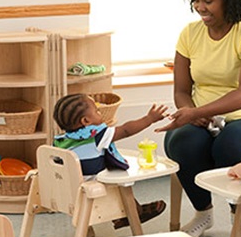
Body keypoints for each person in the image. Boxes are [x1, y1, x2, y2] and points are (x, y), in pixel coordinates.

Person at [156, 0, 241, 237]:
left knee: (231, 144)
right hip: (200, 116)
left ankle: (238, 216)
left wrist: (196, 112)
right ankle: (203, 213)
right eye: (196, 0)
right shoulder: (189, 34)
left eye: (208, 1)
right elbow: (182, 91)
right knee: (182, 141)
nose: (200, 7)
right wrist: (192, 113)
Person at [53, 93, 170, 229]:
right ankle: (133, 213)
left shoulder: (59, 141)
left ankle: (121, 216)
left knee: (111, 177)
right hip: (92, 187)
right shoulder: (96, 136)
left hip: (68, 188)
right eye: (96, 111)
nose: (99, 113)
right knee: (120, 181)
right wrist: (149, 119)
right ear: (85, 121)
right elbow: (126, 130)